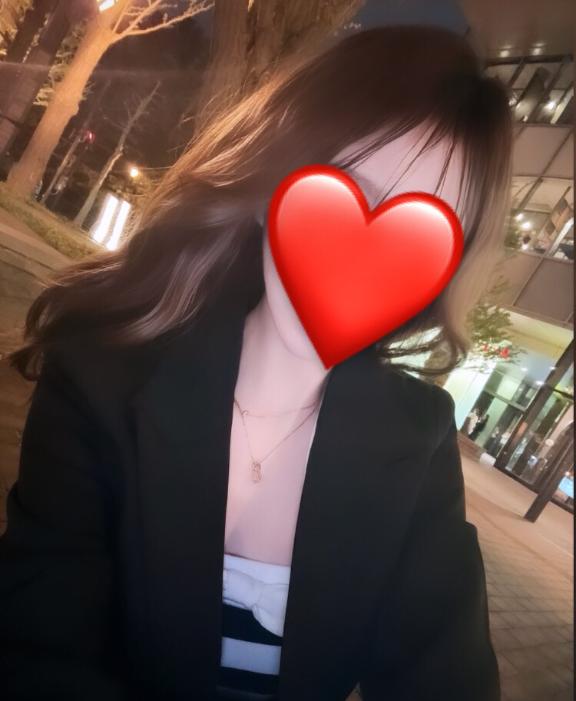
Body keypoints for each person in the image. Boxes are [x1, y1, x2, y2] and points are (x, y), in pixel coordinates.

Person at [0, 25, 512, 701]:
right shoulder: (102, 374)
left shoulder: (418, 438)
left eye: (421, 231)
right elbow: (39, 651)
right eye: (345, 186)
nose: (354, 263)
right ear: (274, 181)